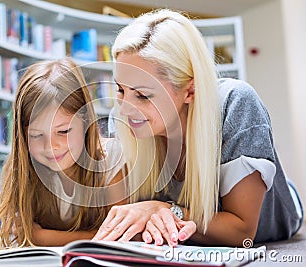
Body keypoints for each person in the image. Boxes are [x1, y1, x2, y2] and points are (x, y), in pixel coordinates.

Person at [93, 9, 303, 247]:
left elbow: (242, 231)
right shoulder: (119, 120)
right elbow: (124, 223)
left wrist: (164, 209)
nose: (125, 108)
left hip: (276, 213)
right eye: (120, 90)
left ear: (190, 91)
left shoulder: (236, 103)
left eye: (142, 95)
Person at [0, 58, 128, 249]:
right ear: (23, 136)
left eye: (63, 131)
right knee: (8, 223)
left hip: (47, 230)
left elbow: (117, 237)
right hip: (21, 218)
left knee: (8, 219)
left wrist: (41, 237)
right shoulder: (23, 164)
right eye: (36, 135)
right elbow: (19, 234)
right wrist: (31, 233)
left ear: (86, 123)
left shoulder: (111, 159)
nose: (51, 147)